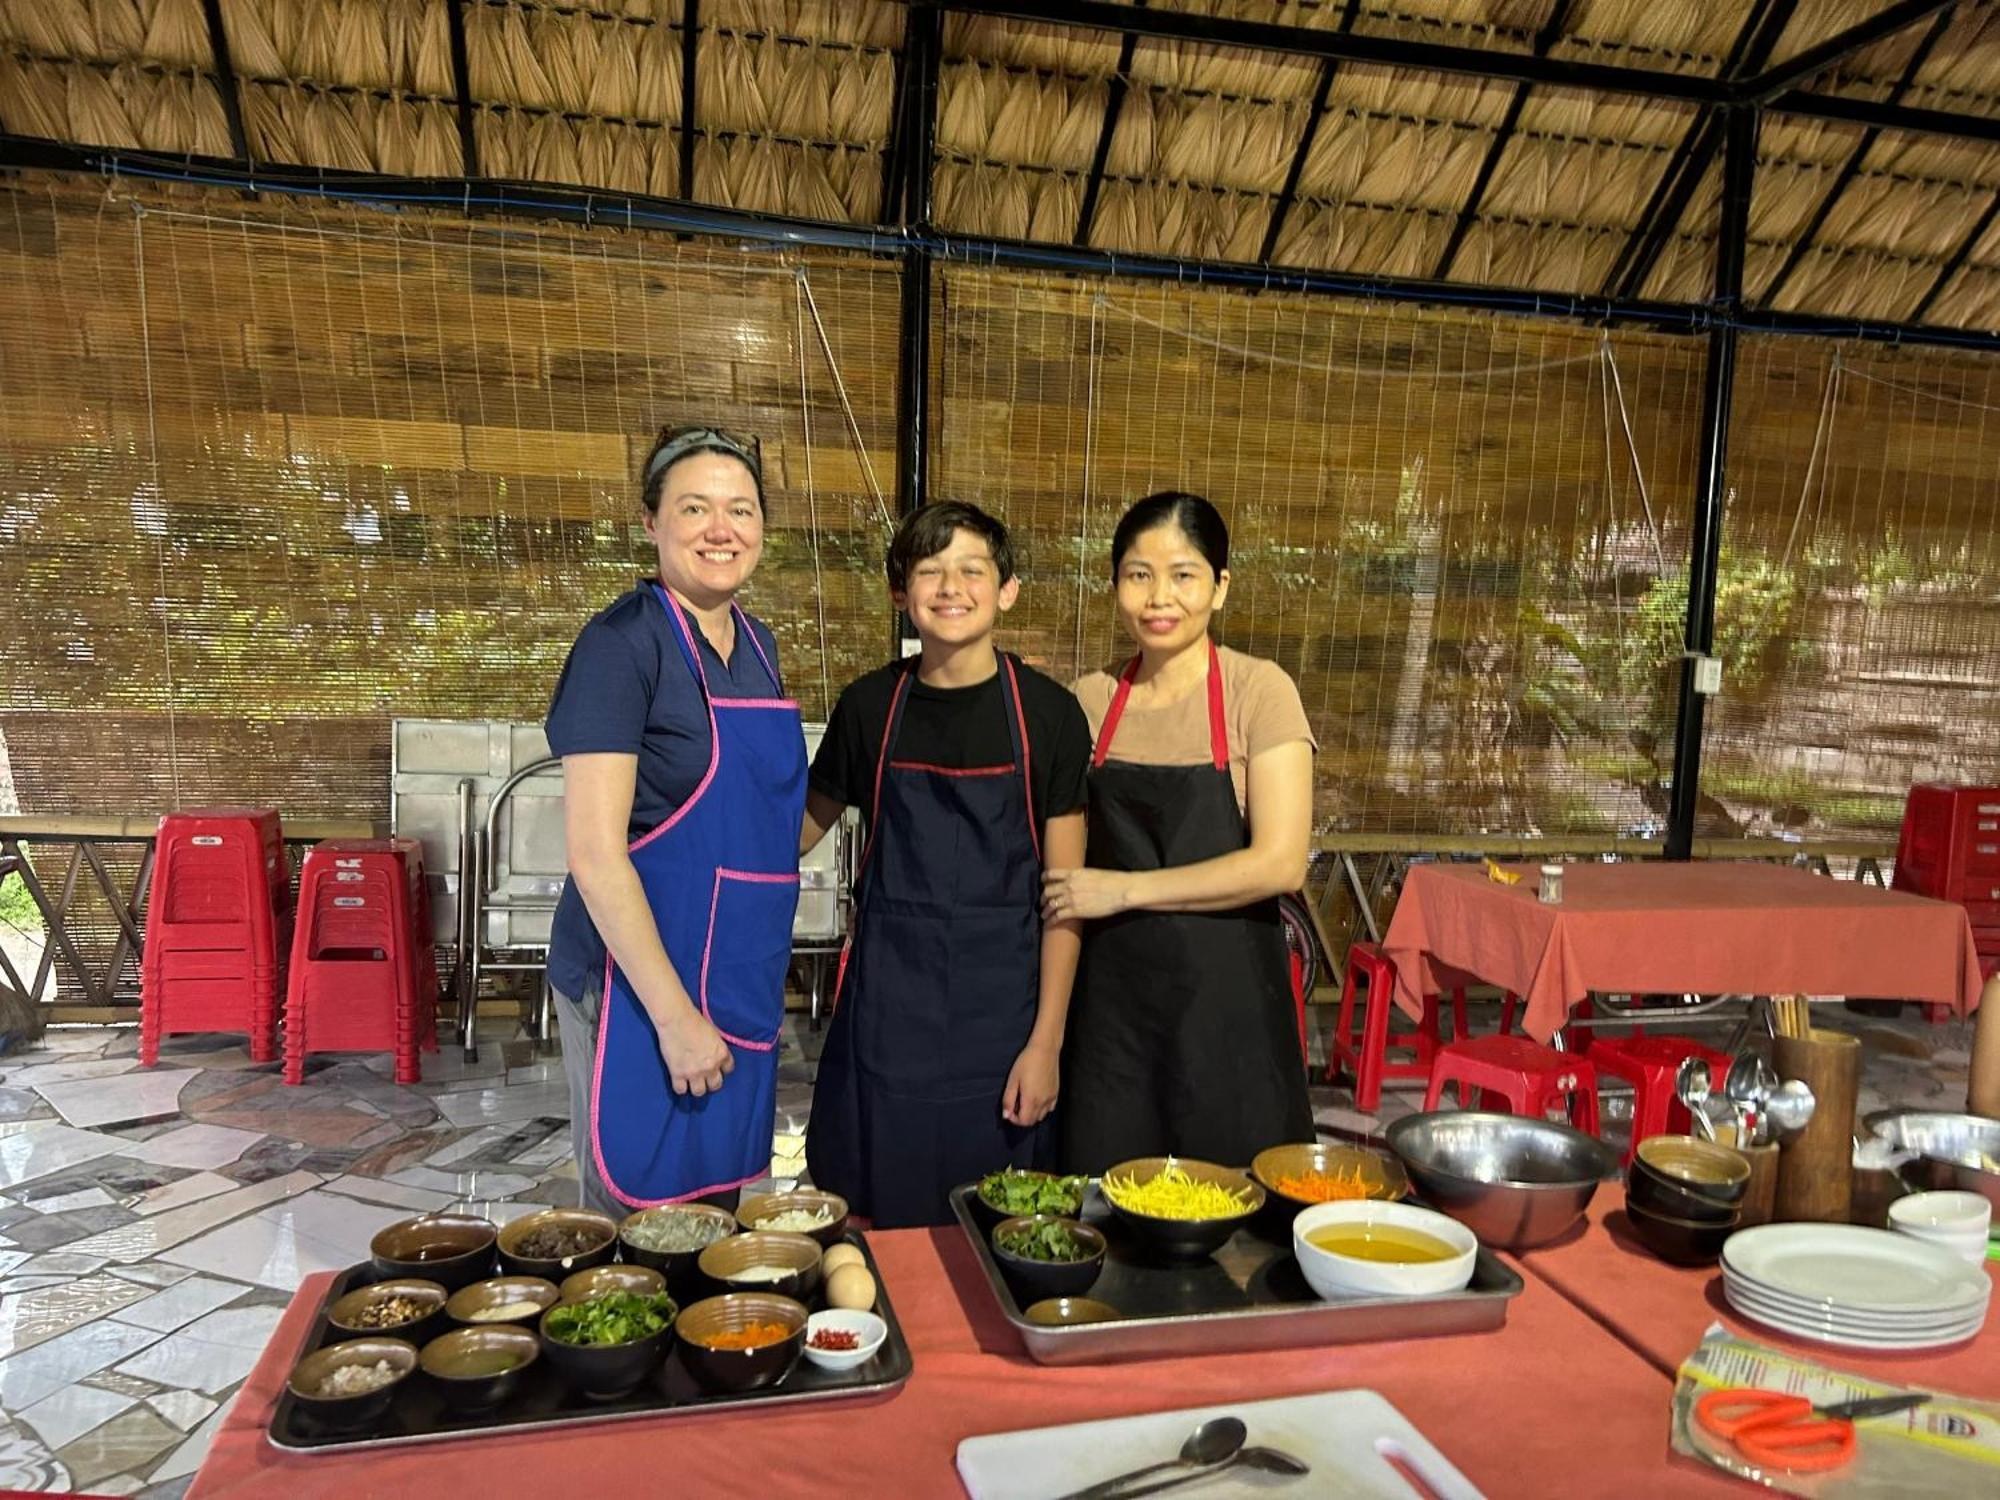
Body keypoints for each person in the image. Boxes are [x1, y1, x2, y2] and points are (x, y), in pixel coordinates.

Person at [802, 501, 1092, 1227]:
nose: (950, 587)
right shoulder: (870, 706)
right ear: (901, 593)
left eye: (972, 570)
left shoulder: (1050, 715)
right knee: (880, 1218)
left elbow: (1066, 897)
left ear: (1007, 589)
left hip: (1005, 1026)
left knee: (1001, 1225)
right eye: (929, 571)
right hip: (887, 1020)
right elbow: (789, 838)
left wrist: (1047, 1045)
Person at [544, 423, 805, 1214]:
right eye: (694, 508)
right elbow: (594, 854)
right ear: (651, 522)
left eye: (742, 509)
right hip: (639, 982)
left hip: (735, 972)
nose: (721, 529)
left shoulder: (758, 643)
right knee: (642, 1218)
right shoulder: (621, 646)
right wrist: (673, 1016)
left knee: (718, 1202)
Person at [1049, 491, 1316, 1172]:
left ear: (1220, 588)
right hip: (1113, 1028)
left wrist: (1124, 891)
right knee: (1104, 1216)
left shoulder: (1260, 692)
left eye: (1184, 575)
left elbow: (1280, 864)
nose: (1159, 597)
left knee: (1241, 1229)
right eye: (1139, 575)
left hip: (1228, 1026)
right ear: (1115, 586)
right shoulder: (1089, 701)